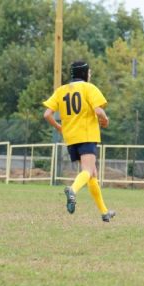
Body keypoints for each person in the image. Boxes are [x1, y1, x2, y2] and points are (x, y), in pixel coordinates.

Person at [43, 60, 115, 222]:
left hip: (70, 137)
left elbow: (47, 114)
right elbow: (98, 110)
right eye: (89, 72)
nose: (90, 75)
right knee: (88, 171)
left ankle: (104, 212)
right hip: (87, 135)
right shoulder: (89, 88)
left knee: (92, 174)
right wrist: (105, 118)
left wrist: (59, 127)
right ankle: (73, 190)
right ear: (84, 73)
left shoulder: (61, 91)